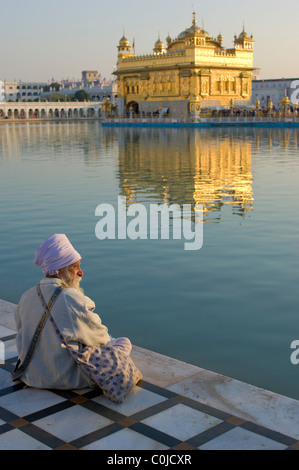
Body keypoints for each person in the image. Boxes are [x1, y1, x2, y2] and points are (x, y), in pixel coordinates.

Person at [14, 234, 134, 390]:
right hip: (64, 377)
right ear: (59, 270)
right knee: (122, 343)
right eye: (75, 266)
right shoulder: (72, 299)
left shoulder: (27, 295)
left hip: (30, 374)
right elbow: (101, 338)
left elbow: (21, 332)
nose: (80, 272)